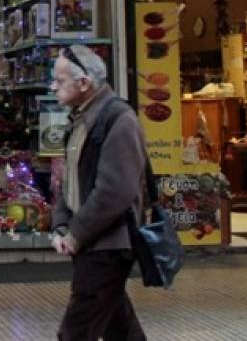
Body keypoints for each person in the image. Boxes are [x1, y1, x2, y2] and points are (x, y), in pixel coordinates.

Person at [50, 44, 148, 341]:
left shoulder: (118, 119)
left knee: (76, 331)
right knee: (119, 327)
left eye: (60, 81)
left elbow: (115, 191)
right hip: (94, 243)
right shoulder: (81, 118)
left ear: (84, 83)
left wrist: (75, 234)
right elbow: (70, 183)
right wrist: (60, 223)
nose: (53, 87)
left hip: (108, 244)